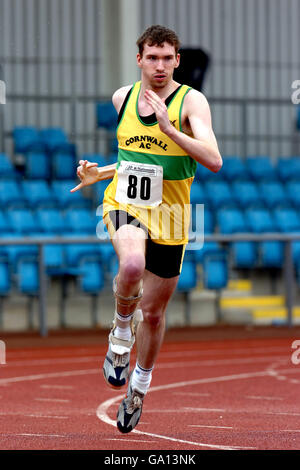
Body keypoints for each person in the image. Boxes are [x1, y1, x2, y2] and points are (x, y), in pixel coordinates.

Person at [71, 25, 222, 434]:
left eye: (166, 58)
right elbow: (132, 162)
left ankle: (138, 385)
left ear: (177, 61)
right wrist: (98, 173)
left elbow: (214, 159)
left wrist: (171, 129)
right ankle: (120, 333)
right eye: (151, 57)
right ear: (139, 59)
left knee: (153, 315)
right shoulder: (123, 98)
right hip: (125, 203)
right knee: (132, 265)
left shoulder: (192, 102)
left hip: (171, 217)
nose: (158, 65)